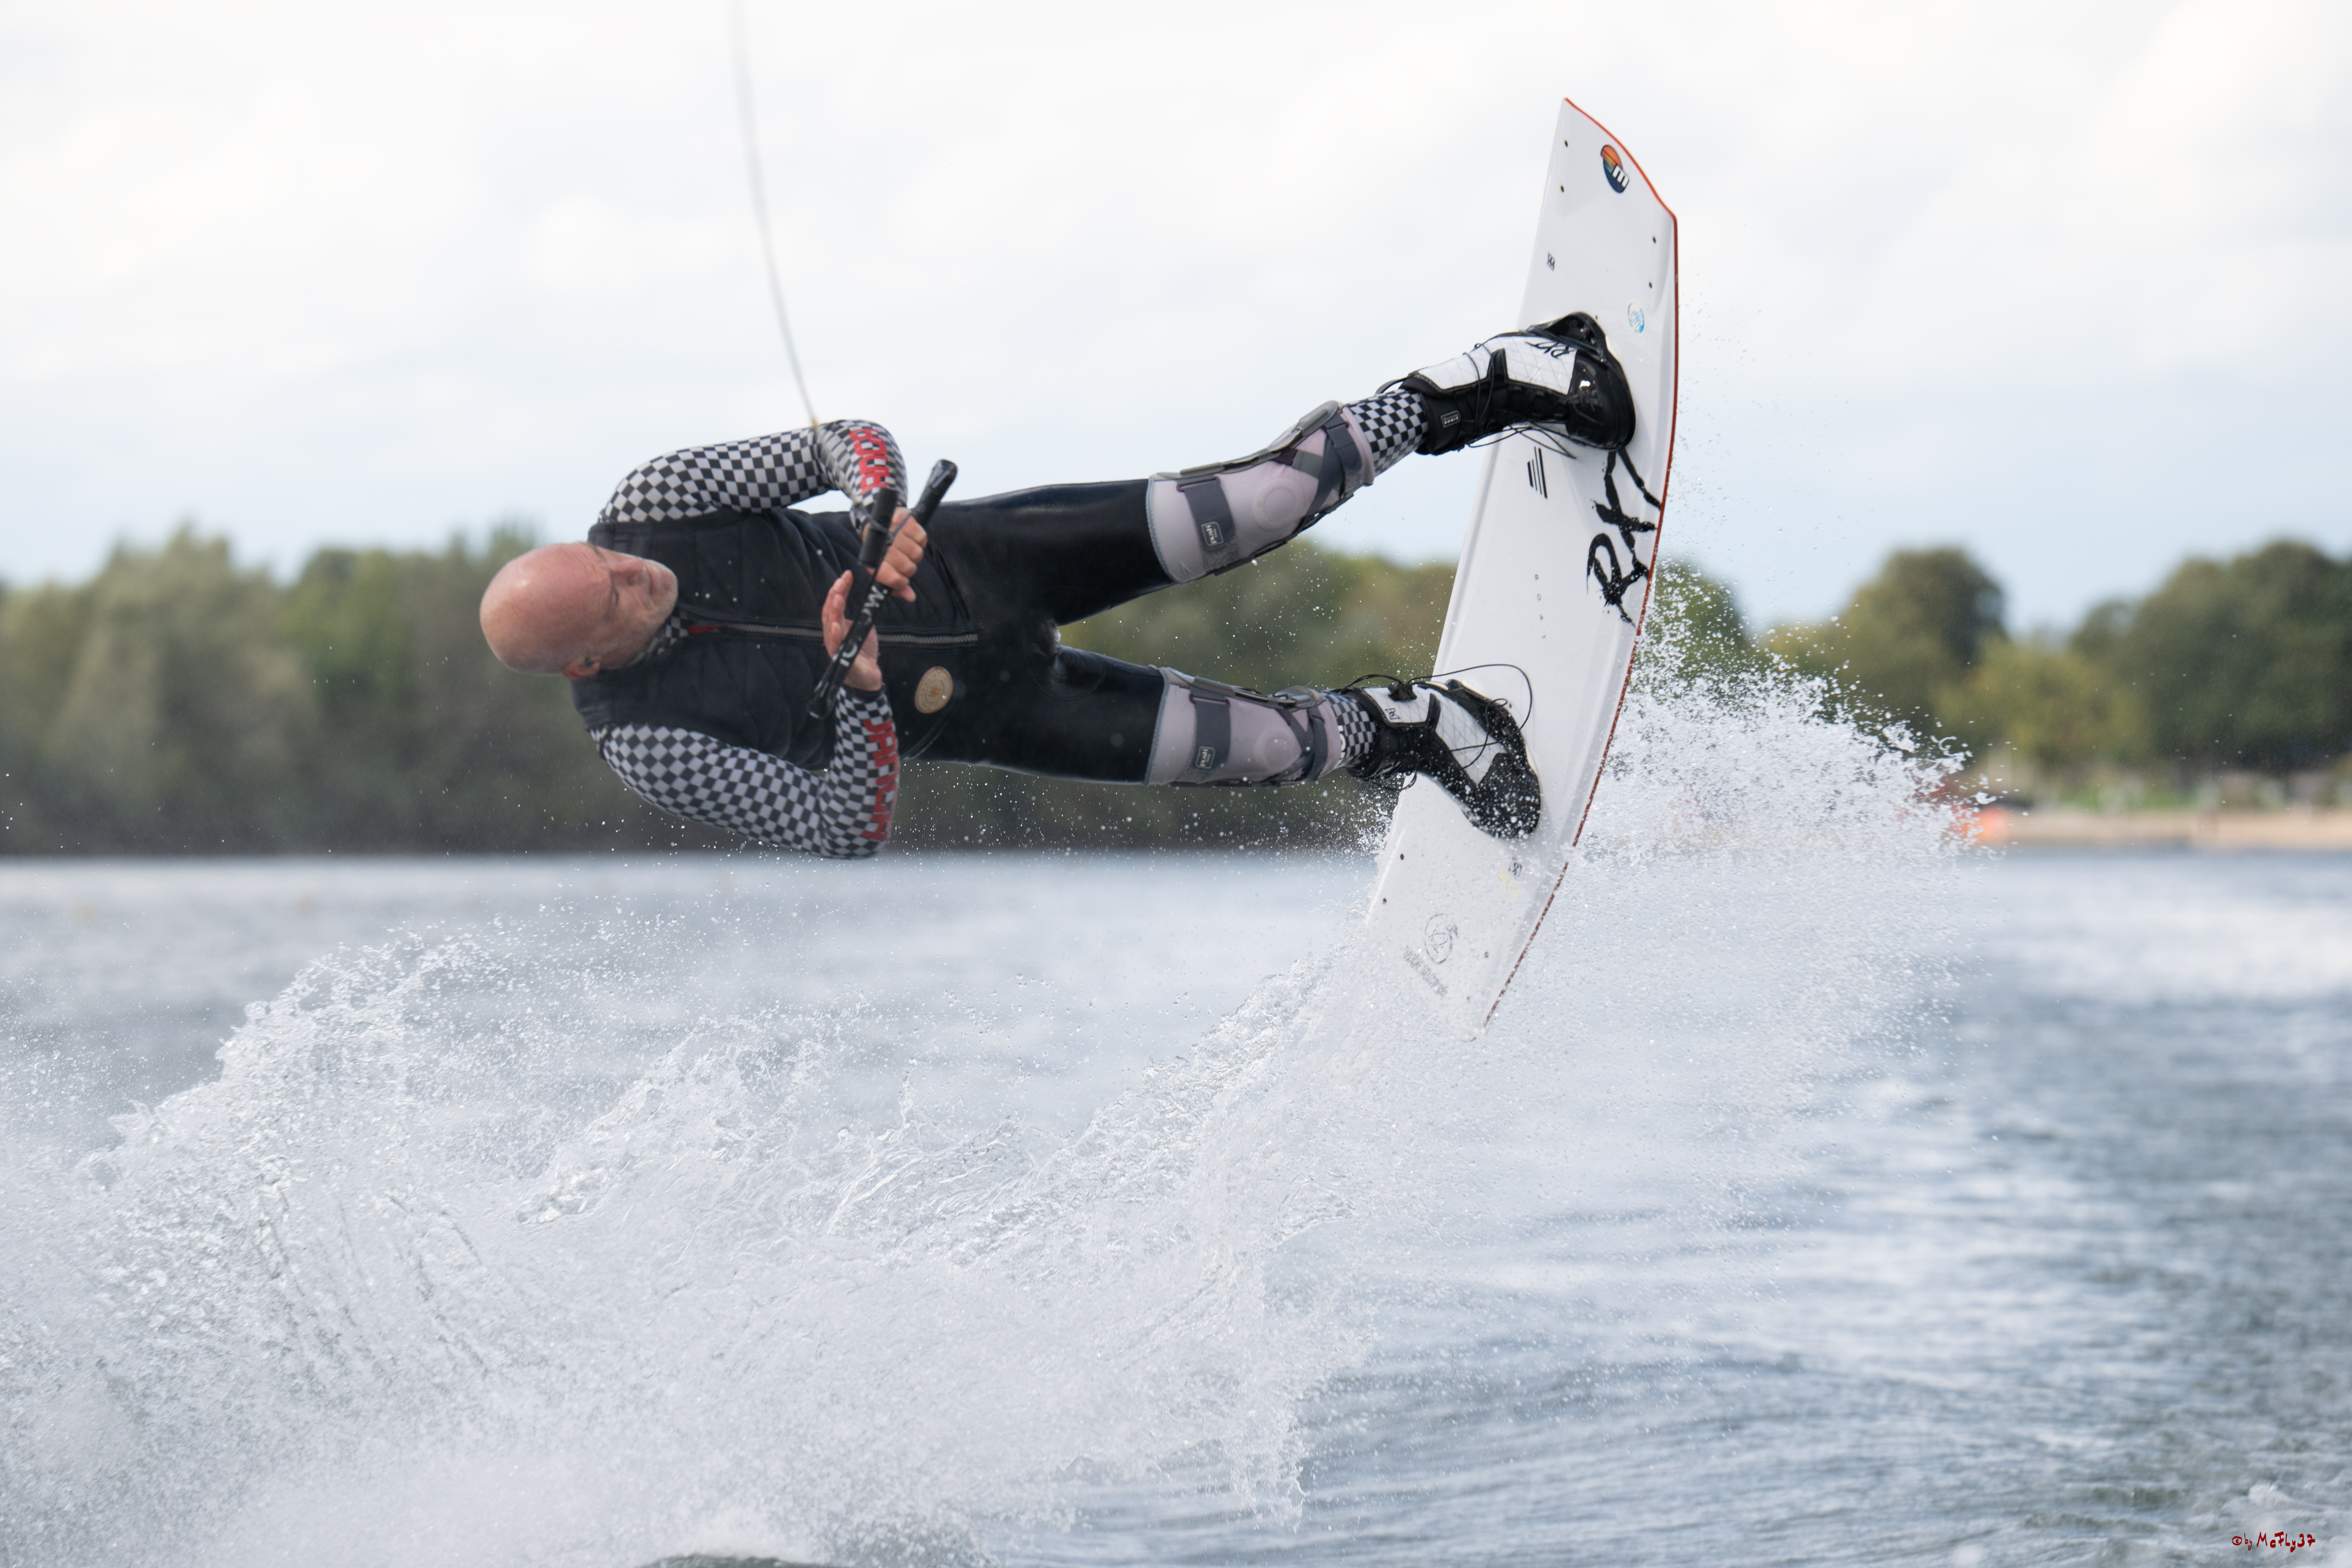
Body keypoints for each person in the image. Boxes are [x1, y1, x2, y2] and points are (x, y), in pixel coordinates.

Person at [478, 314, 1634, 858]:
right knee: (1270, 751)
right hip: (995, 713)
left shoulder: (657, 497)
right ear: (588, 660)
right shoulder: (647, 744)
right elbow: (846, 828)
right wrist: (867, 690)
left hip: (996, 559)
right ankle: (1420, 725)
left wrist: (876, 520)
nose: (643, 572)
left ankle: (1489, 379)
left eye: (618, 559)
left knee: (1267, 502)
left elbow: (849, 439)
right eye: (622, 597)